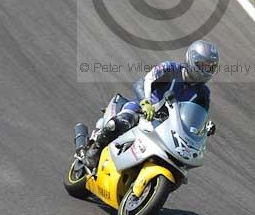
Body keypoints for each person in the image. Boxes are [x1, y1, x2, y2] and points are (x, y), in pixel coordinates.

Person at [83, 39, 219, 172]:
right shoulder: (170, 69)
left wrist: (204, 128)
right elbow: (145, 81)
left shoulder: (203, 93)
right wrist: (145, 101)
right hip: (143, 110)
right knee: (121, 122)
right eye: (203, 65)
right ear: (191, 59)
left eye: (210, 67)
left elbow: (197, 116)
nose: (206, 70)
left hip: (167, 128)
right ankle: (94, 150)